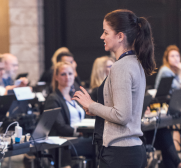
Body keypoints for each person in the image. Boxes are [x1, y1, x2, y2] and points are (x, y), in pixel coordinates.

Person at [73, 9, 156, 167]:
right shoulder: (135, 63)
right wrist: (96, 109)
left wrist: (93, 105)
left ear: (120, 36)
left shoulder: (121, 67)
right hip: (131, 151)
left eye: (105, 32)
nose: (102, 37)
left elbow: (122, 116)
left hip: (120, 154)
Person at [44, 62, 93, 167]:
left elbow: (86, 117)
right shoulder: (53, 98)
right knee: (99, 143)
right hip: (66, 141)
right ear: (56, 77)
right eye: (63, 74)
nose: (67, 77)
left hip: (80, 137)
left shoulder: (74, 96)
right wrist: (80, 132)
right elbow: (60, 127)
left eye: (70, 74)